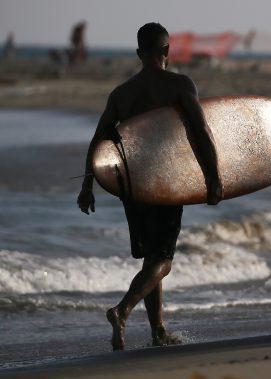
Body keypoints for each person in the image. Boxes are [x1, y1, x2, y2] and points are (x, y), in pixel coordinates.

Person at [76, 23, 223, 351]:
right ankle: (122, 310)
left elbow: (98, 140)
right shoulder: (180, 85)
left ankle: (158, 332)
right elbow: (202, 132)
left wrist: (88, 184)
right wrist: (214, 178)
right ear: (167, 52)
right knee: (164, 259)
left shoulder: (121, 94)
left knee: (151, 258)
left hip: (133, 186)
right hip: (166, 180)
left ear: (140, 53)